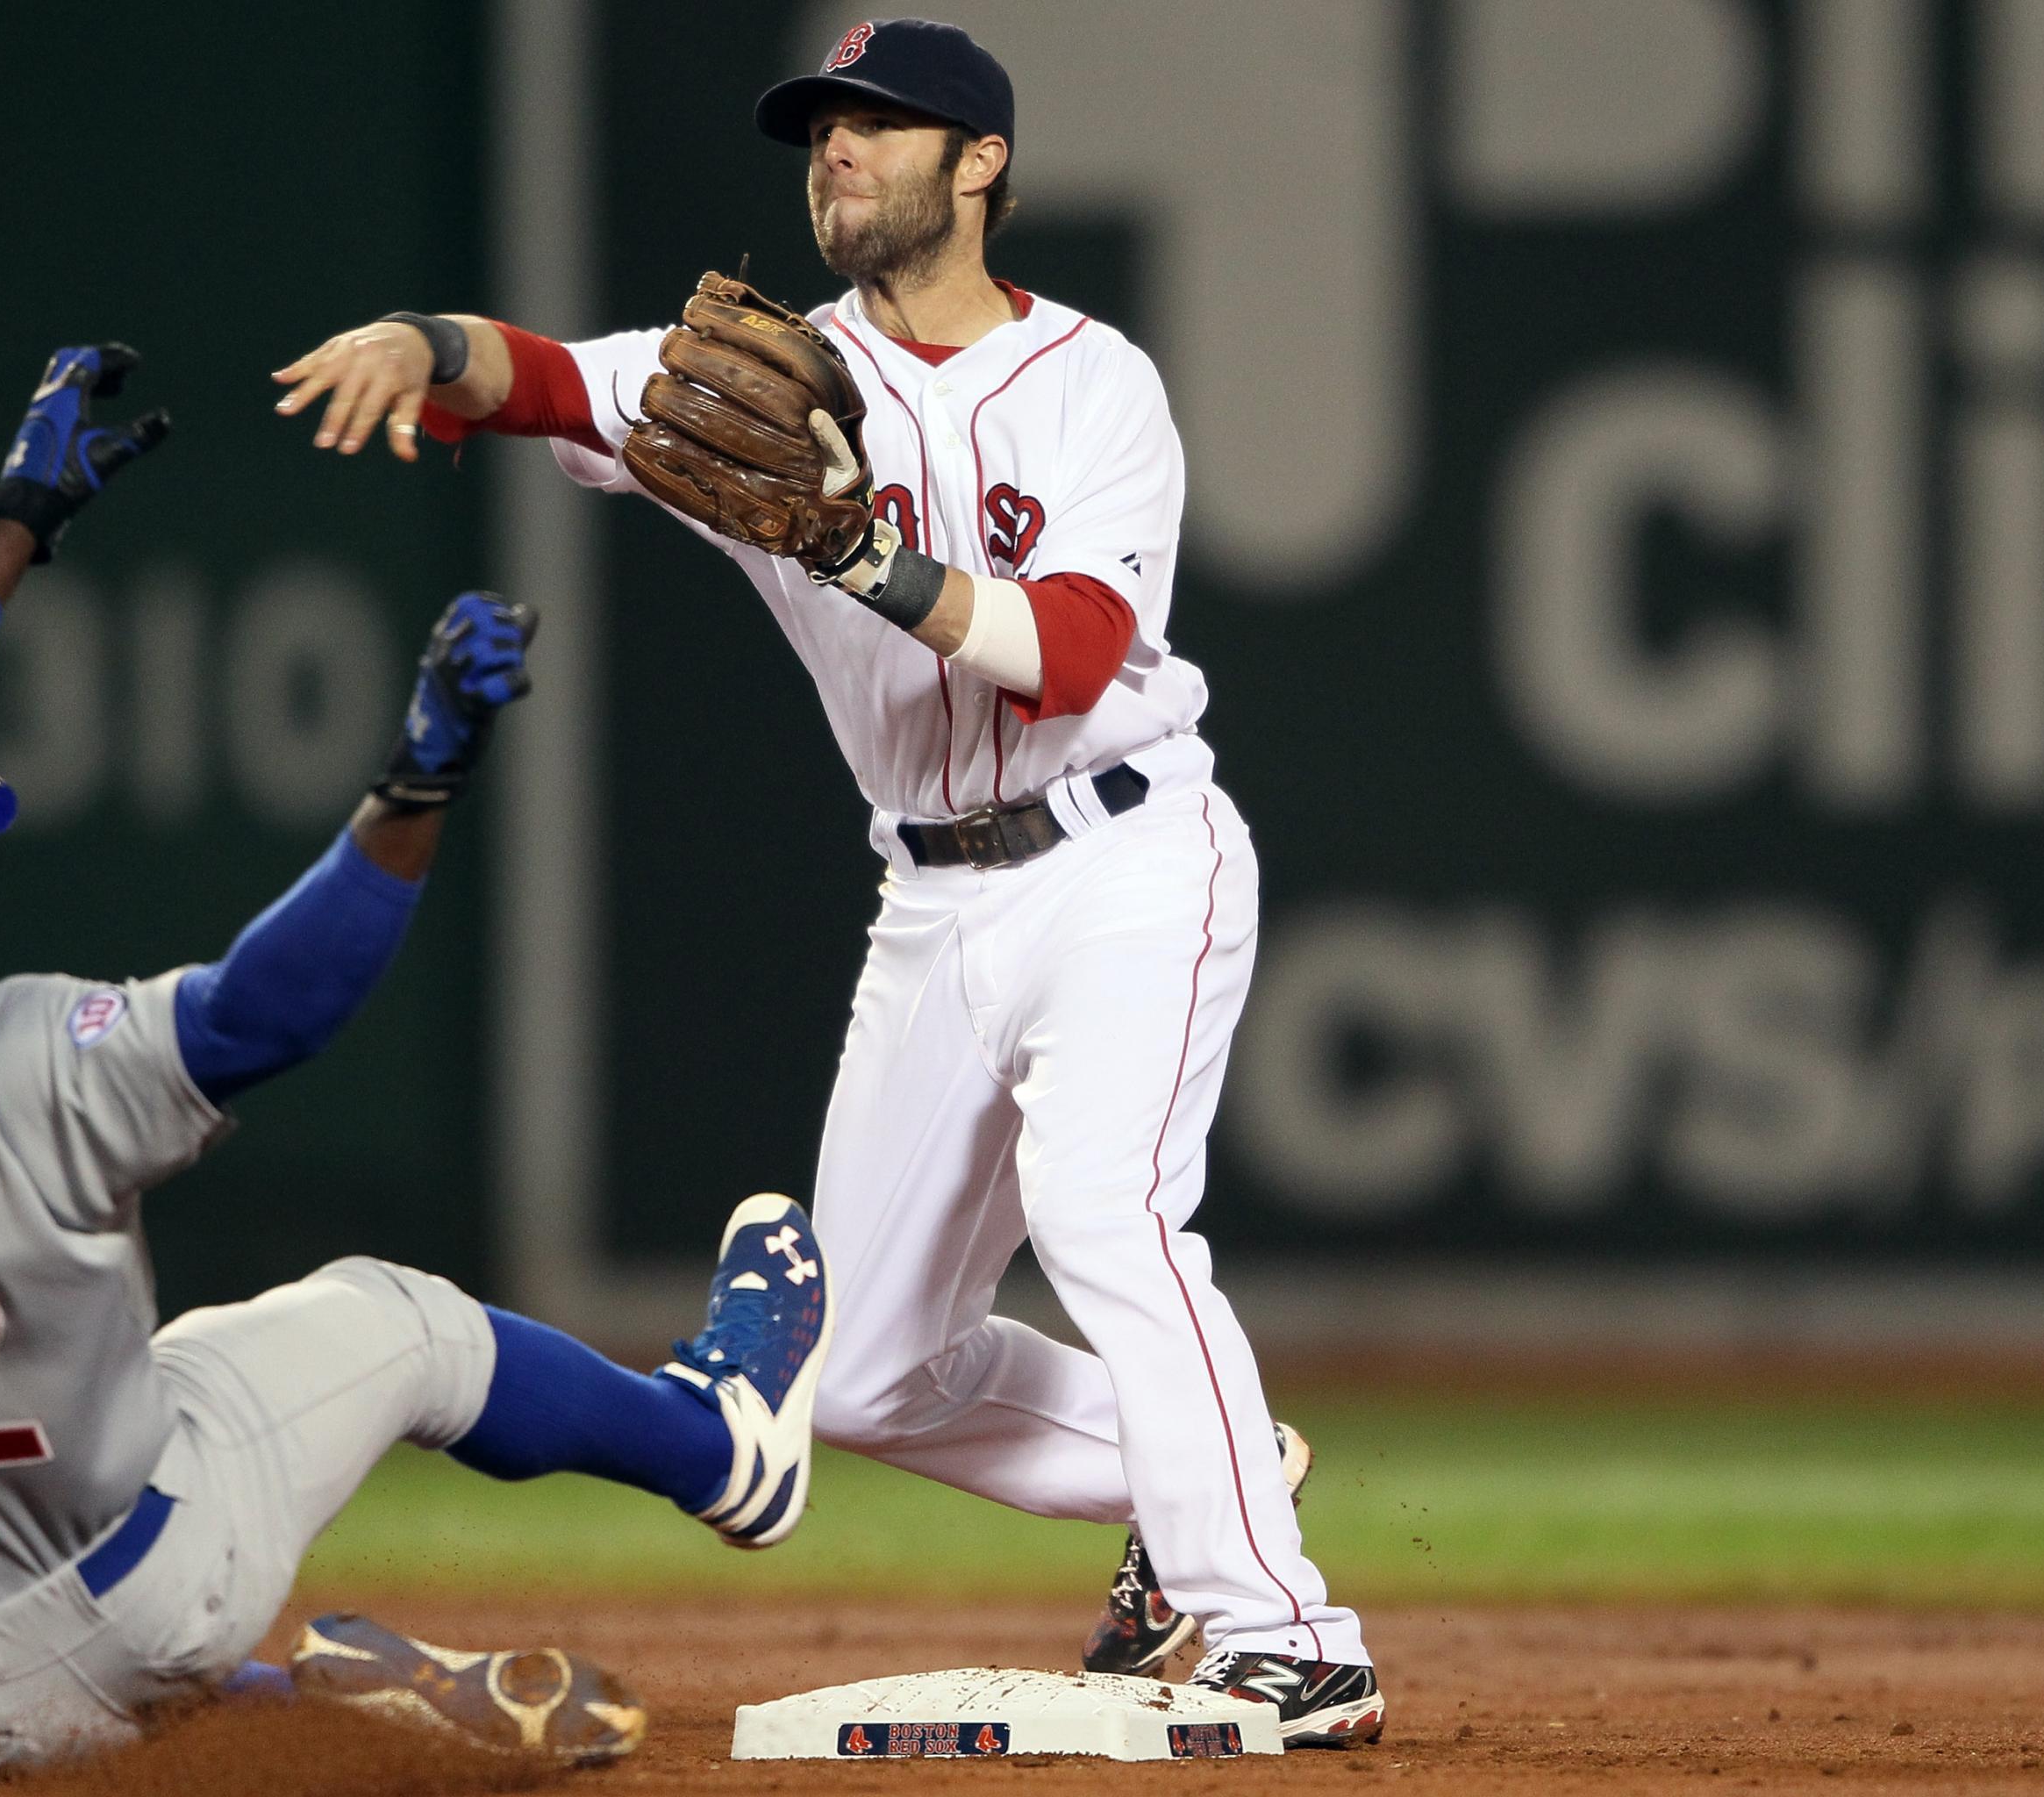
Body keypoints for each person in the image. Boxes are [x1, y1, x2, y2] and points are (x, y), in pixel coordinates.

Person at [268, 18, 1382, 1747]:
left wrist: (860, 548)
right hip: (931, 897)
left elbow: (1076, 654)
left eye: (879, 123)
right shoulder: (764, 382)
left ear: (981, 164)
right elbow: (540, 376)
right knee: (860, 1370)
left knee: (1104, 1210)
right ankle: (1211, 1470)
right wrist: (419, 346)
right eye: (821, 128)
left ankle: (1291, 1632)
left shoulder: (1097, 384)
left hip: (1126, 849)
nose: (836, 149)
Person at [0, 346, 834, 1773]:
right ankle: (723, 1446)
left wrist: (9, 518)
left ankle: (317, 1704)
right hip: (144, 1594)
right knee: (401, 1322)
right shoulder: (21, 1067)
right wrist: (414, 790)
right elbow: (266, 1014)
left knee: (187, 1370)